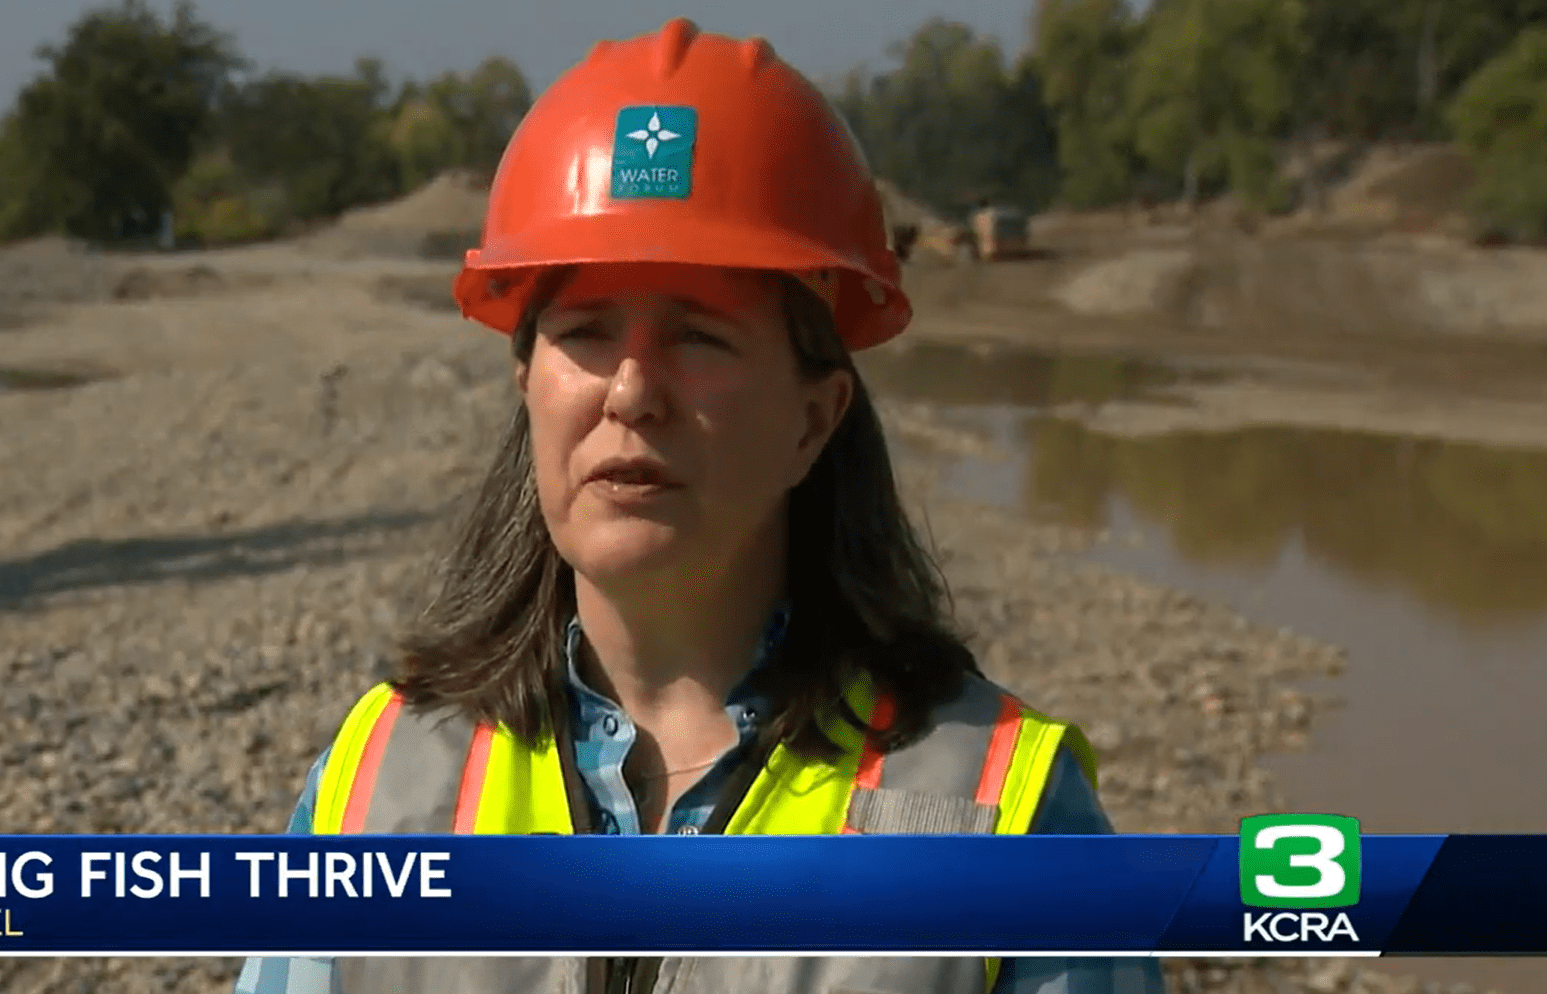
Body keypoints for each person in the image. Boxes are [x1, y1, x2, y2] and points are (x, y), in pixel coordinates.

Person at [236, 17, 1166, 994]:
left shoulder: (999, 811)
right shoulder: (381, 780)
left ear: (814, 418)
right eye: (585, 332)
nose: (631, 392)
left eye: (698, 337)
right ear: (526, 385)